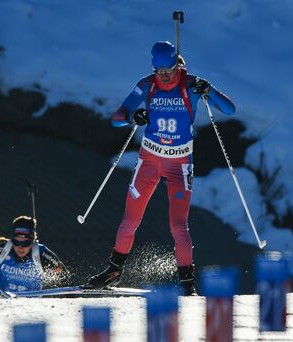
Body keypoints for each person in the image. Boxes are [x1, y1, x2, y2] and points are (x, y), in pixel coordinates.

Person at [85, 41, 236, 295]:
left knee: (178, 225)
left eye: (168, 70)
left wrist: (209, 90)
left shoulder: (192, 85)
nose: (164, 76)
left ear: (178, 64)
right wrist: (133, 117)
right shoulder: (147, 84)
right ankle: (113, 272)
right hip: (150, 161)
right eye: (159, 70)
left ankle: (187, 285)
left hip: (180, 164)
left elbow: (229, 110)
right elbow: (116, 118)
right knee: (130, 219)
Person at [0, 216, 68, 298]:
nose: (20, 247)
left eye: (25, 243)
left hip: (32, 307)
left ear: (32, 240)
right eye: (16, 242)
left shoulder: (41, 254)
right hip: (1, 301)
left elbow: (64, 277)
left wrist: (70, 304)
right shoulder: (1, 251)